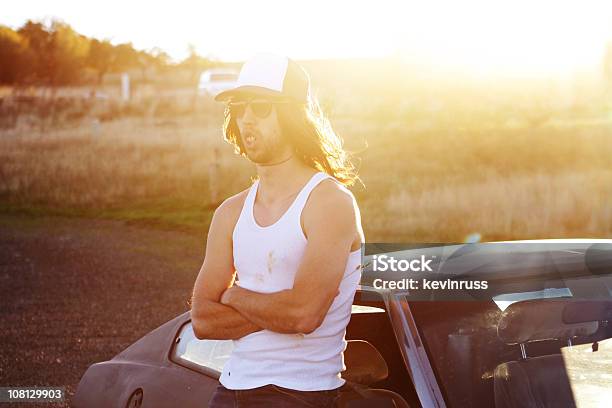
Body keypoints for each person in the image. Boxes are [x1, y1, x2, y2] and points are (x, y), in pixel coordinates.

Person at [190, 53, 364, 407]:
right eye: (240, 108)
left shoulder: (329, 203)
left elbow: (304, 314)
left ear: (292, 115)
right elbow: (203, 320)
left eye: (261, 107)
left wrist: (234, 296)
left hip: (301, 393)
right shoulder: (230, 212)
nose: (246, 119)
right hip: (231, 387)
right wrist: (276, 313)